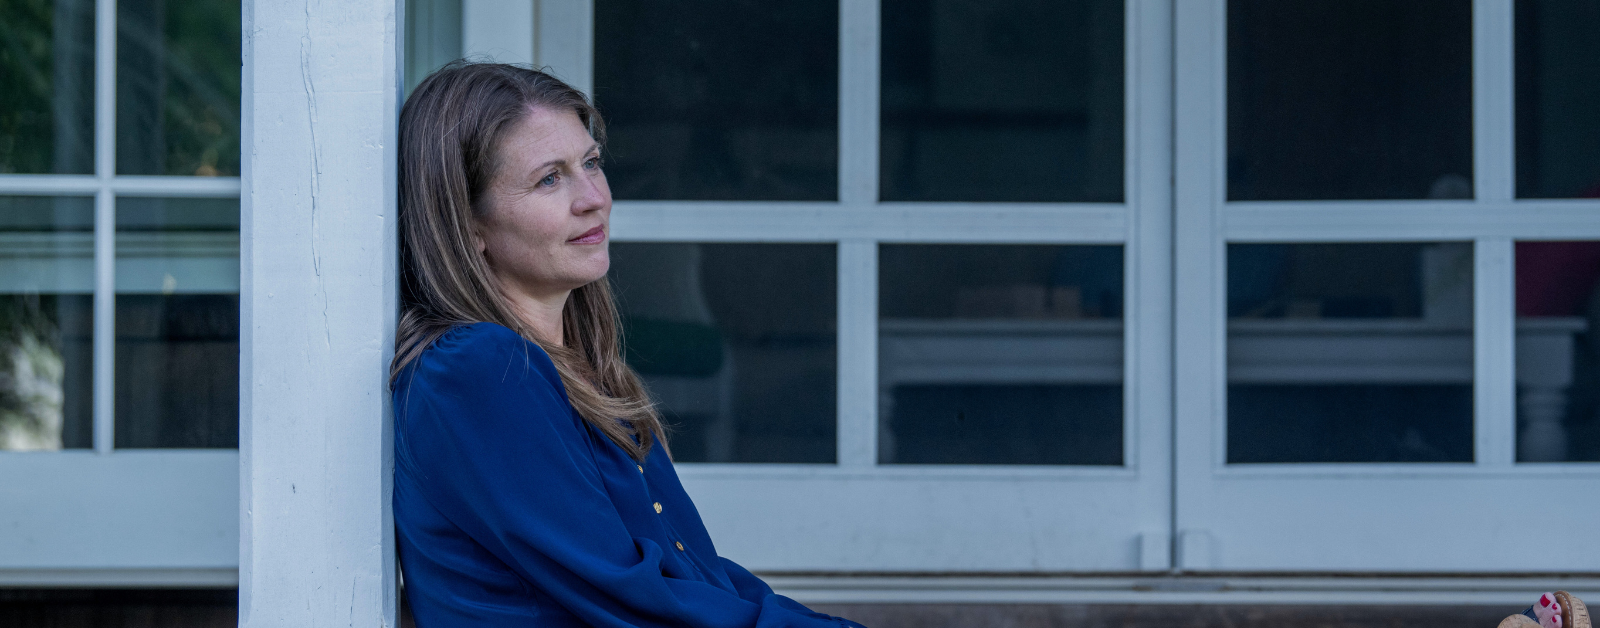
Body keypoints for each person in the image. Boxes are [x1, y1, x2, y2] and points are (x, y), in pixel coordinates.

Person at [389, 62, 867, 627]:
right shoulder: (475, 371)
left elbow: (694, 574)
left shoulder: (580, 370)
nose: (593, 197)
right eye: (549, 178)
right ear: (467, 224)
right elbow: (634, 600)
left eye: (591, 163)